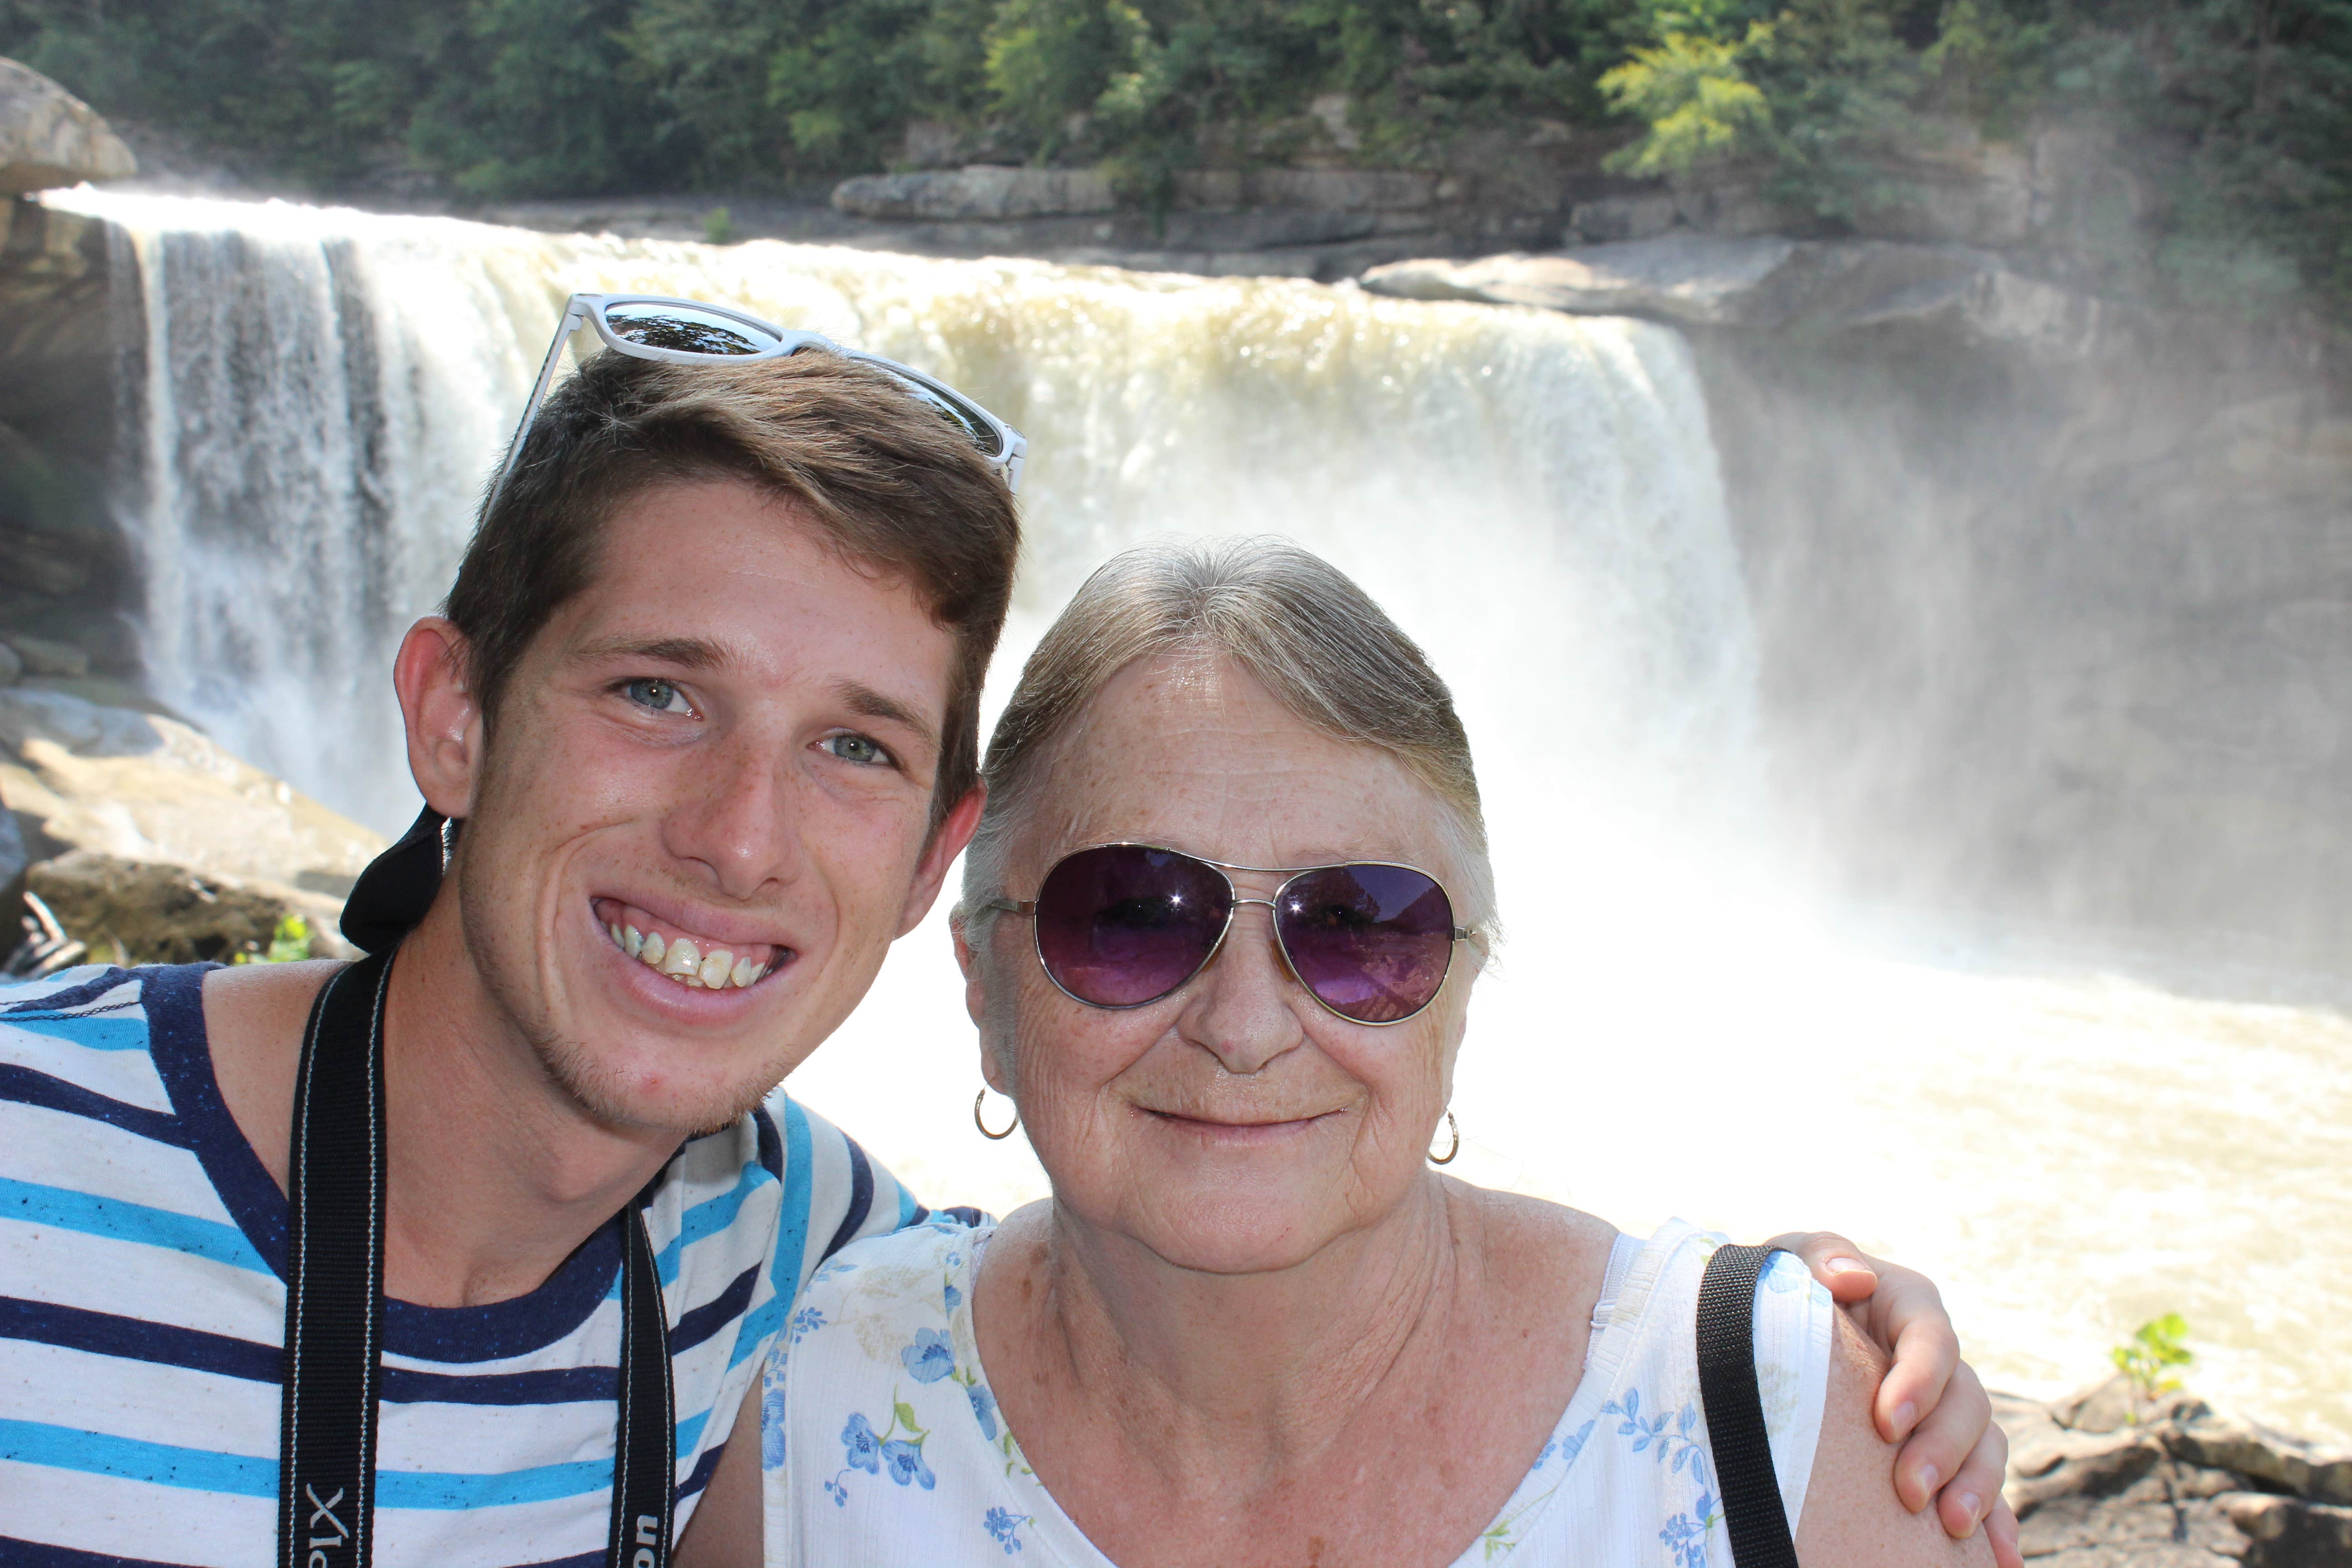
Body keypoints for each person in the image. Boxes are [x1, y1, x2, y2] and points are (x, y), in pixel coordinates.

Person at [0, 296, 1997, 1567]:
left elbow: (1191, 1239)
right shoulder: (27, 1163)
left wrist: (1784, 1334)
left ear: (926, 868)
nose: (738, 836)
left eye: (852, 747)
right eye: (657, 692)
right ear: (452, 713)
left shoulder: (805, 1285)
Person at [756, 537, 2022, 1568]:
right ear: (982, 980)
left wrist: (1789, 1333)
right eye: (1132, 917)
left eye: (1359, 929)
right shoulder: (801, 1399)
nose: (1244, 1028)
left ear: (1463, 985)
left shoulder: (1780, 1425)